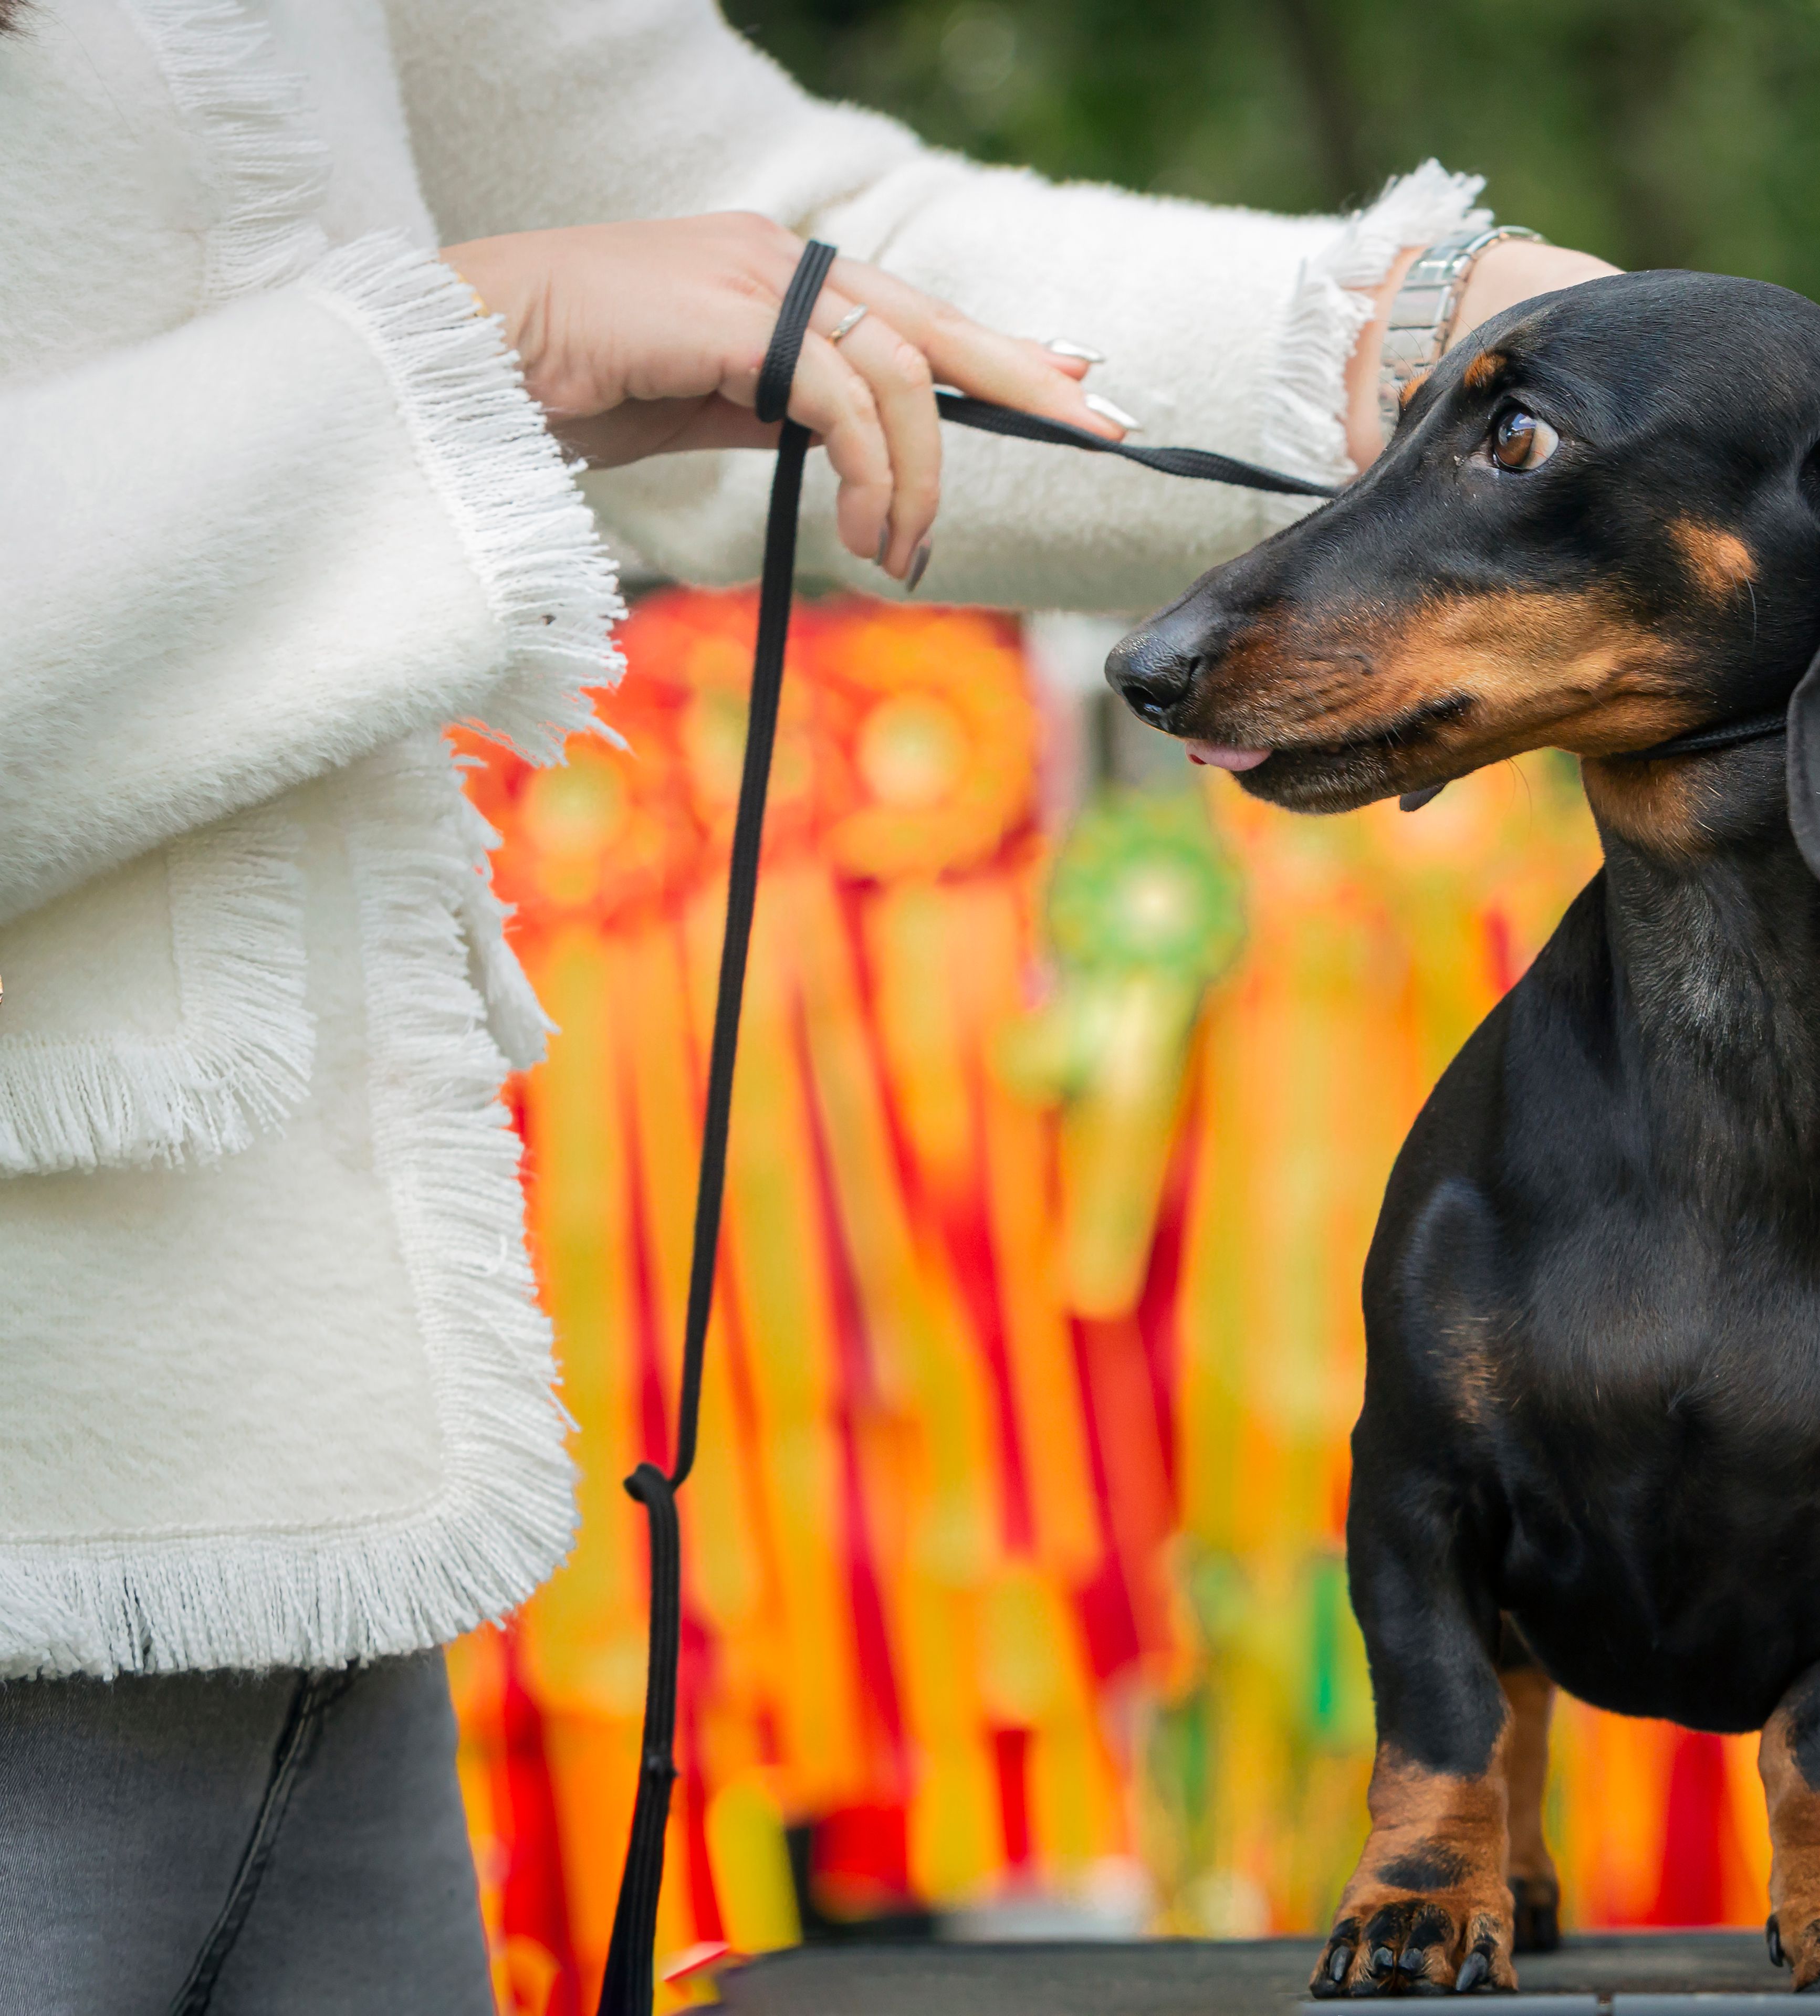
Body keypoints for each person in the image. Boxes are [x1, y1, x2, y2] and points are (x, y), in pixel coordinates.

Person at [0, 1, 1610, 2006]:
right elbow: (589, 308)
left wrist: (1456, 334)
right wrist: (468, 353)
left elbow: (775, 249)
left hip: (339, 1588)